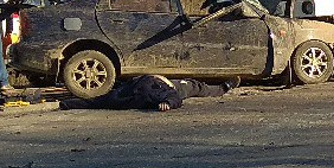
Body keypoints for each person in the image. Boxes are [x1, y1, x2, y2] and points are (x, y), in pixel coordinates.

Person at [58, 75, 232, 111]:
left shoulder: (122, 97)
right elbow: (174, 97)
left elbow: (96, 102)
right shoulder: (152, 94)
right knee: (196, 86)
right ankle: (224, 87)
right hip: (165, 84)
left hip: (142, 83)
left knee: (196, 86)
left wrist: (65, 103)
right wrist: (169, 104)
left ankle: (224, 87)